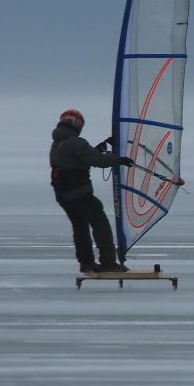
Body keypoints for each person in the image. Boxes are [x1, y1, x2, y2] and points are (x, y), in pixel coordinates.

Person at [49, 109, 133, 274]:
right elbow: (96, 160)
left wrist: (101, 147)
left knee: (80, 227)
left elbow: (83, 158)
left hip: (64, 195)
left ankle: (86, 263)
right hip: (78, 194)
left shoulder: (58, 143)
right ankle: (108, 262)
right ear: (77, 125)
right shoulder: (76, 142)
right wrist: (120, 160)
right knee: (100, 222)